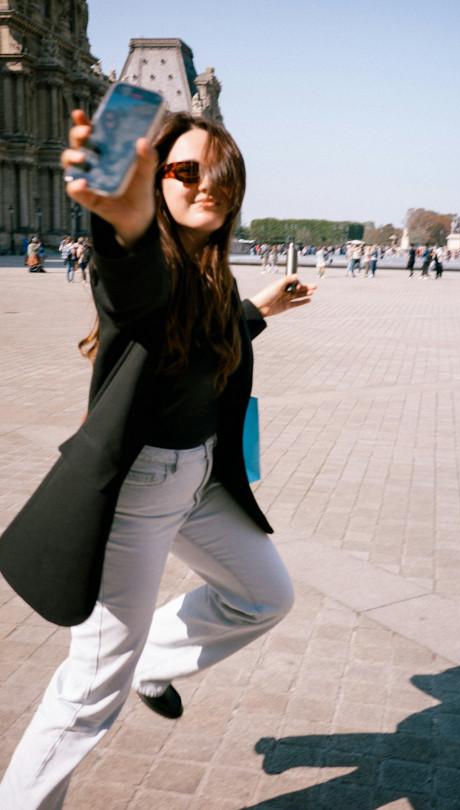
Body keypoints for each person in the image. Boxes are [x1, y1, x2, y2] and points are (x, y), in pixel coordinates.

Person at [0, 108, 316, 808]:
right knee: (88, 698)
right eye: (183, 172)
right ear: (155, 183)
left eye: (221, 174)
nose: (206, 186)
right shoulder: (151, 265)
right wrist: (125, 219)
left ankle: (149, 664)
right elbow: (135, 285)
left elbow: (202, 341)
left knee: (265, 596)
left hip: (201, 482)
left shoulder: (214, 276)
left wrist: (260, 311)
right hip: (141, 490)